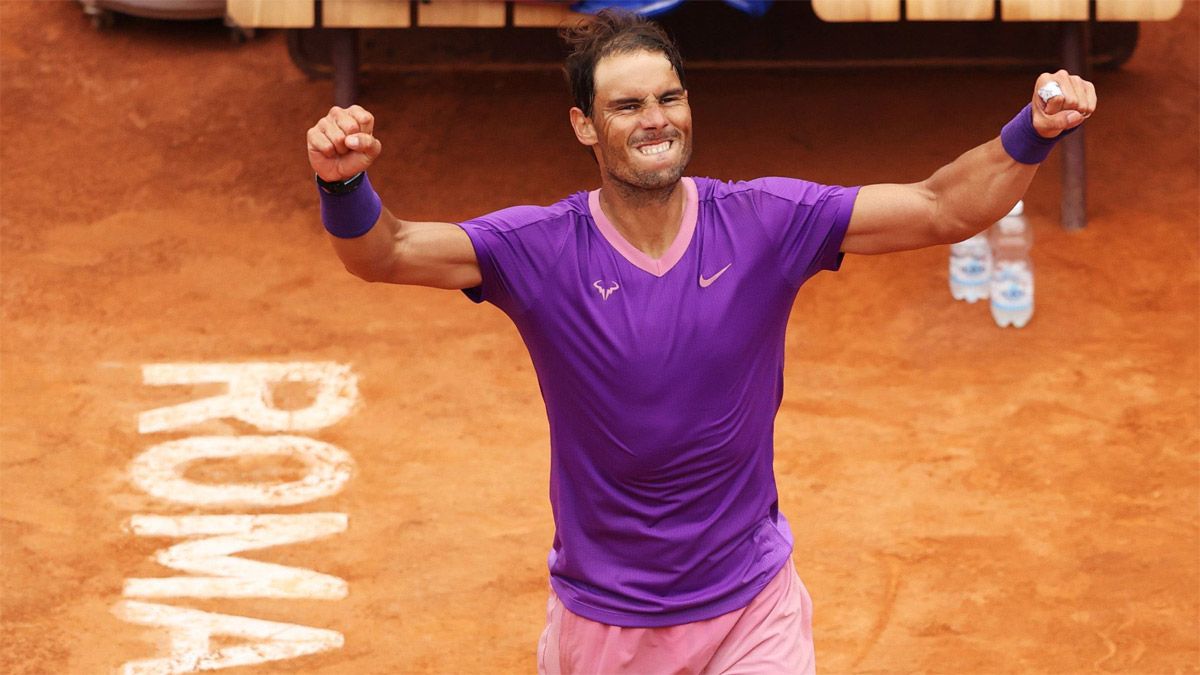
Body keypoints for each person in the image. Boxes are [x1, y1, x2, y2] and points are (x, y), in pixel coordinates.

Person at [305, 10, 1095, 674]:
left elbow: (940, 206)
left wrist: (1031, 131)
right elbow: (387, 252)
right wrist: (343, 183)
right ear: (584, 125)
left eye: (669, 97)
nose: (655, 119)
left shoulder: (765, 222)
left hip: (753, 608)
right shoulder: (539, 250)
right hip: (606, 622)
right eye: (627, 106)